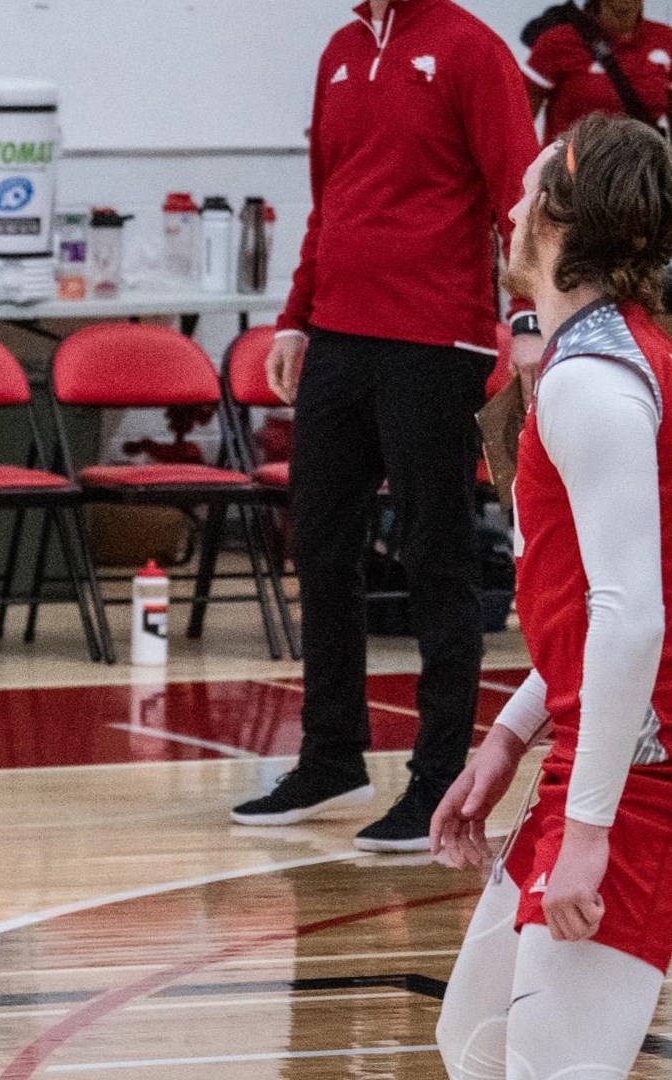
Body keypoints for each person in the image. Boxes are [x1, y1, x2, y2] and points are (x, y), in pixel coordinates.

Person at [232, 0, 543, 852]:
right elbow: (328, 201)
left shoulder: (470, 50)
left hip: (433, 341)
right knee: (320, 546)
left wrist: (524, 316)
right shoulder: (337, 50)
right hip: (336, 334)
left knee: (434, 555)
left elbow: (517, 191)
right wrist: (294, 316)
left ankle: (439, 781)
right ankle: (332, 755)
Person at [431, 113, 672, 1079]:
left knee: (544, 1070)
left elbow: (631, 620)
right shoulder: (606, 359)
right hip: (606, 756)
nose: (511, 208)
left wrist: (588, 837)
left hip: (639, 778)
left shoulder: (592, 383)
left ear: (560, 222)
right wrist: (503, 743)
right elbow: (593, 617)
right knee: (477, 1044)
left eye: (527, 191)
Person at [525, 0, 672, 144]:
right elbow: (521, 116)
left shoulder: (665, 39)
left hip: (640, 162)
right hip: (571, 161)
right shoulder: (557, 41)